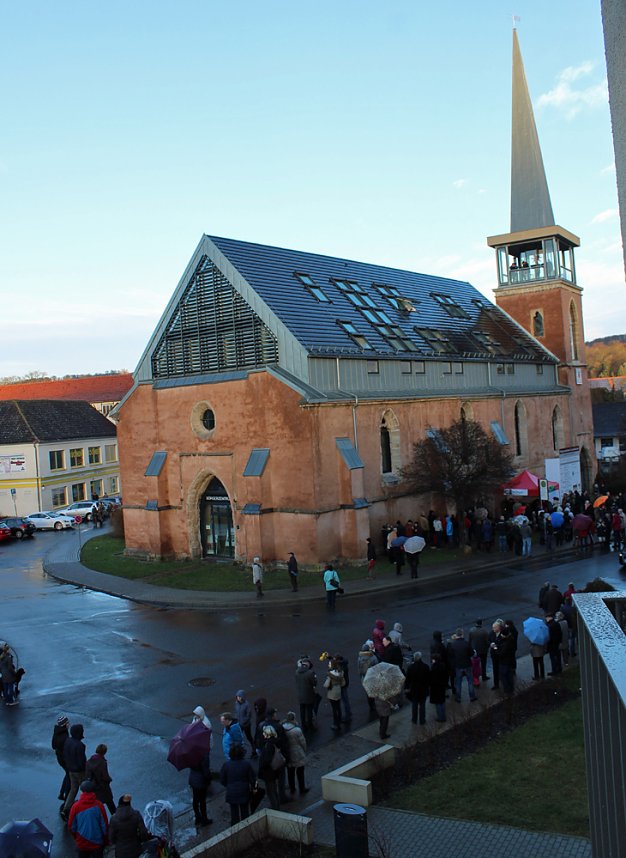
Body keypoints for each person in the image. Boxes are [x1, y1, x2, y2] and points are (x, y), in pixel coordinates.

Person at [68, 780, 109, 858]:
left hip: (82, 842)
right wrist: (105, 840)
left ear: (82, 792)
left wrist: (76, 837)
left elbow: (71, 826)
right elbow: (104, 826)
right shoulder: (99, 805)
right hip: (97, 842)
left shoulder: (75, 806)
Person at [220, 743, 256, 825]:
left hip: (231, 793)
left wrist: (229, 785)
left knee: (234, 814)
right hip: (244, 792)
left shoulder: (226, 765)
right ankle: (246, 828)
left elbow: (222, 780)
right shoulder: (246, 764)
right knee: (245, 812)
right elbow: (253, 779)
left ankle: (236, 830)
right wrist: (254, 789)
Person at [108, 794, 151, 858]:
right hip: (136, 849)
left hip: (121, 851)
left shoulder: (113, 819)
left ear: (119, 804)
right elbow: (143, 833)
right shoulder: (136, 814)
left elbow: (111, 838)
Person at [63, 723, 88, 820]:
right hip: (79, 771)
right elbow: (82, 760)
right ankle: (83, 808)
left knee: (73, 789)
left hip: (70, 769)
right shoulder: (80, 745)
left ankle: (66, 808)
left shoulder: (68, 741)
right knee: (84, 790)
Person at [282, 711, 309, 796]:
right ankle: (302, 788)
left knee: (290, 771)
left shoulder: (283, 728)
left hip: (288, 753)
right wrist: (304, 750)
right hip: (297, 752)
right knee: (300, 771)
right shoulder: (297, 730)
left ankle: (292, 788)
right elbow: (303, 742)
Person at [447, 628, 477, 703]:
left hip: (458, 666)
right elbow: (471, 654)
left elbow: (451, 655)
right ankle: (472, 696)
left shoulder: (453, 645)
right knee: (470, 681)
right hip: (467, 664)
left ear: (456, 635)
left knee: (458, 683)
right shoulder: (466, 643)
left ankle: (458, 698)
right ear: (462, 634)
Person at [257, 725, 283, 810]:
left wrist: (261, 765)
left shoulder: (268, 746)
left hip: (269, 773)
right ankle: (277, 806)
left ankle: (276, 808)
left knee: (271, 792)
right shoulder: (275, 742)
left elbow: (266, 760)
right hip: (274, 771)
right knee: (274, 790)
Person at [86, 743, 116, 816]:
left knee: (97, 804)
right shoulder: (102, 763)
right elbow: (105, 776)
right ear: (104, 752)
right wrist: (109, 779)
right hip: (103, 787)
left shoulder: (89, 761)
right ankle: (116, 817)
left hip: (93, 786)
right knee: (110, 803)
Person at [188, 748, 212, 827]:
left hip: (193, 779)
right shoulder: (204, 754)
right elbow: (206, 771)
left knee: (195, 799)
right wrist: (209, 779)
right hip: (201, 781)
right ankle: (204, 819)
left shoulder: (191, 753)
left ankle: (197, 817)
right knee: (202, 801)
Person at [404, 652, 430, 725]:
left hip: (414, 689)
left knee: (414, 705)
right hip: (423, 689)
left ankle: (414, 719)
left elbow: (407, 680)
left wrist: (407, 688)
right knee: (422, 705)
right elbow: (428, 679)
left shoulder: (411, 667)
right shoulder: (426, 667)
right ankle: (422, 720)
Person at [295, 656, 317, 731]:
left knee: (302, 710)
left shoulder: (297, 671)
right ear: (307, 663)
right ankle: (310, 725)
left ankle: (303, 725)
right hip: (309, 694)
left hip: (300, 695)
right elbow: (314, 683)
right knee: (309, 710)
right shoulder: (310, 673)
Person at [52, 714, 71, 804]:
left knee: (67, 774)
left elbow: (53, 745)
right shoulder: (64, 737)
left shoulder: (57, 732)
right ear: (65, 724)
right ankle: (67, 797)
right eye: (68, 722)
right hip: (65, 759)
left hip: (60, 758)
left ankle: (62, 793)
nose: (69, 724)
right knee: (69, 777)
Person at [324, 657, 345, 731]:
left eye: (329, 664)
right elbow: (343, 683)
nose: (328, 665)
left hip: (332, 691)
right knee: (338, 707)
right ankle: (339, 721)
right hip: (338, 690)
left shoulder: (330, 674)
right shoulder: (340, 672)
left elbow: (326, 685)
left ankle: (335, 723)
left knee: (334, 708)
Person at [357, 641, 378, 714]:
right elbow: (377, 667)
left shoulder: (360, 658)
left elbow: (359, 669)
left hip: (364, 677)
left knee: (368, 693)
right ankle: (374, 704)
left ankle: (371, 706)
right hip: (372, 677)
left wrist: (361, 677)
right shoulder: (372, 656)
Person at [234, 690, 255, 757]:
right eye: (237, 696)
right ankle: (240, 752)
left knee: (249, 737)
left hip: (246, 725)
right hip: (239, 724)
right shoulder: (236, 703)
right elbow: (236, 712)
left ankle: (254, 750)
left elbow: (248, 715)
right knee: (239, 738)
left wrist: (242, 722)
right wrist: (236, 720)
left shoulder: (247, 705)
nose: (238, 698)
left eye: (240, 696)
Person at [430, 653, 448, 722]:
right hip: (442, 686)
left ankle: (440, 717)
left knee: (437, 703)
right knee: (442, 702)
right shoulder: (443, 666)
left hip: (435, 687)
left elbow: (431, 678)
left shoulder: (434, 667)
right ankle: (443, 716)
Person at [489, 620, 505, 690]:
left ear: (498, 628)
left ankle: (504, 682)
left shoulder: (503, 634)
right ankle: (496, 684)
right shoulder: (491, 633)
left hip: (500, 655)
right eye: (493, 627)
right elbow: (488, 640)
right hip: (494, 655)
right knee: (495, 669)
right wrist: (490, 644)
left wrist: (495, 647)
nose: (493, 629)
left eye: (494, 627)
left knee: (502, 669)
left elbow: (503, 644)